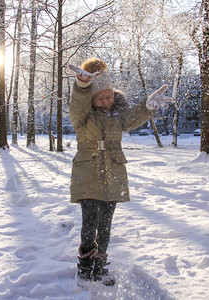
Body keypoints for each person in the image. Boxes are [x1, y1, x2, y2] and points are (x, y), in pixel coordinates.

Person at [68, 58, 171, 286]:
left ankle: (100, 267)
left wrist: (147, 107)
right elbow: (77, 102)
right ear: (92, 98)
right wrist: (82, 85)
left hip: (113, 170)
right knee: (90, 221)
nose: (106, 101)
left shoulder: (117, 112)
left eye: (109, 96)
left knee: (105, 223)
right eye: (100, 98)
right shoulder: (82, 115)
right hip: (88, 171)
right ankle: (85, 267)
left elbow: (131, 118)